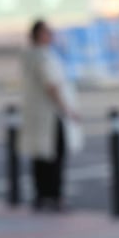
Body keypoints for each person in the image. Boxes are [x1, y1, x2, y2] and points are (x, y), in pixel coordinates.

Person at [19, 19, 84, 211]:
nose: (51, 35)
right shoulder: (44, 57)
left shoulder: (28, 55)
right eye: (48, 32)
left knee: (40, 157)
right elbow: (52, 86)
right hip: (50, 115)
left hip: (35, 114)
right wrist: (68, 110)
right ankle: (55, 197)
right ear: (39, 35)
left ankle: (41, 195)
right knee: (55, 156)